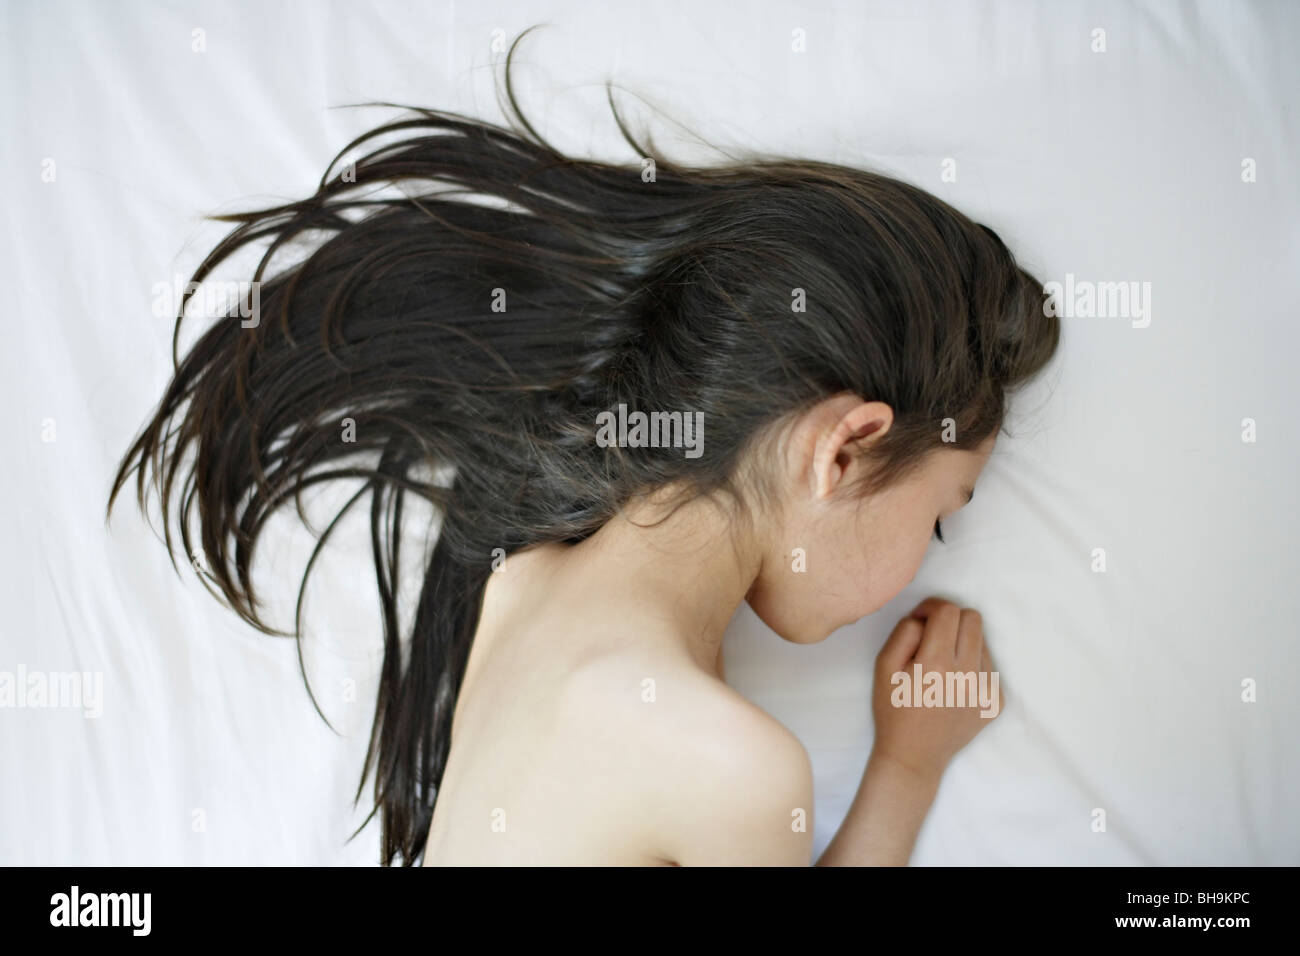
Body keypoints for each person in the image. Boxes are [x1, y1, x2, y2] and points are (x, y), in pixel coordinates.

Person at [111, 39, 1059, 866]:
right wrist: (908, 766)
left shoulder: (520, 584)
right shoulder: (734, 767)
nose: (920, 565)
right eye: (939, 516)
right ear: (844, 452)